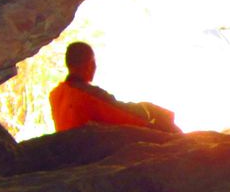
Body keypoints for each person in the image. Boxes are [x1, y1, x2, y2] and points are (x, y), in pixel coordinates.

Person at [49, 42, 181, 133]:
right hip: (89, 147)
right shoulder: (87, 94)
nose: (95, 67)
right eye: (93, 63)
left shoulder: (56, 94)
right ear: (89, 64)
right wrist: (149, 111)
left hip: (73, 145)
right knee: (157, 117)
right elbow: (124, 114)